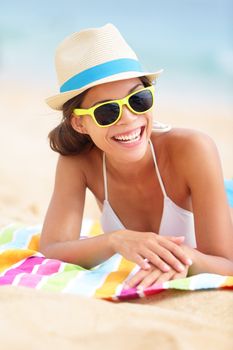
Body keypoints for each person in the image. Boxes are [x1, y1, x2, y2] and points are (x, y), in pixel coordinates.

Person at [40, 23, 233, 290]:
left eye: (138, 99)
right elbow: (52, 247)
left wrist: (177, 257)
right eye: (107, 112)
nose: (129, 119)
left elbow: (226, 264)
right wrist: (116, 240)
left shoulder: (193, 149)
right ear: (79, 124)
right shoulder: (78, 163)